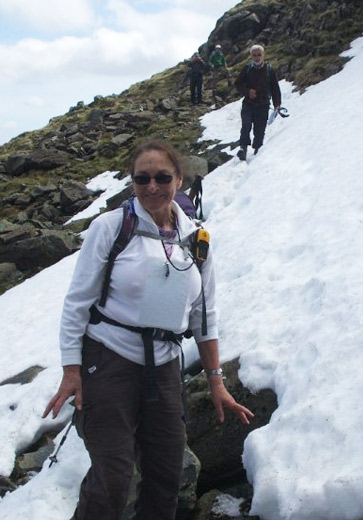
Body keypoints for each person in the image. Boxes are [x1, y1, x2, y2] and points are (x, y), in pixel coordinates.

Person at [43, 139, 254, 520]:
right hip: (109, 358)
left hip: (165, 367)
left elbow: (204, 315)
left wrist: (216, 380)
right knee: (113, 476)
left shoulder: (196, 239)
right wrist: (71, 371)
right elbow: (77, 303)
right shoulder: (111, 228)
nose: (152, 186)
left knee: (167, 475)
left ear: (179, 179)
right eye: (142, 178)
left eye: (162, 177)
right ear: (132, 181)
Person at [234, 44, 282, 161]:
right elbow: (238, 84)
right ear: (251, 56)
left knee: (259, 129)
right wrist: (247, 91)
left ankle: (257, 149)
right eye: (254, 55)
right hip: (248, 103)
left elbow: (275, 88)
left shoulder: (269, 70)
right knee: (246, 124)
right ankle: (243, 148)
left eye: (259, 55)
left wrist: (277, 104)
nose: (257, 57)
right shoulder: (247, 68)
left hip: (263, 105)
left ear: (263, 55)